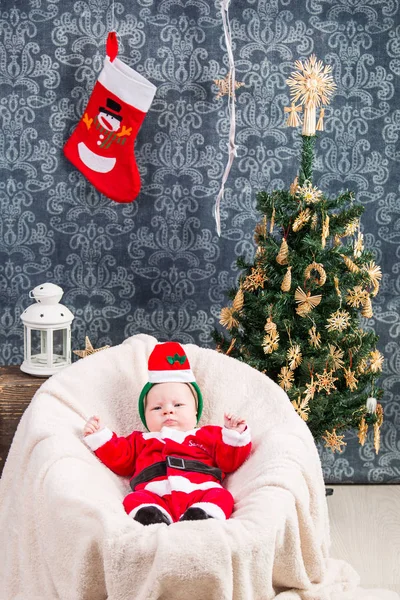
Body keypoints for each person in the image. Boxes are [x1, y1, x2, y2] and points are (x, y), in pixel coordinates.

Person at [83, 341, 252, 525]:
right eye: (157, 408)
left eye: (178, 405)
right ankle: (151, 517)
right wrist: (100, 435)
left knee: (222, 496)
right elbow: (120, 458)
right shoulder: (141, 440)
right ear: (145, 417)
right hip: (154, 494)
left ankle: (204, 515)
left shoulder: (206, 435)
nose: (168, 411)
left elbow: (229, 461)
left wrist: (234, 434)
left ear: (196, 411)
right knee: (133, 500)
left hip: (200, 490)